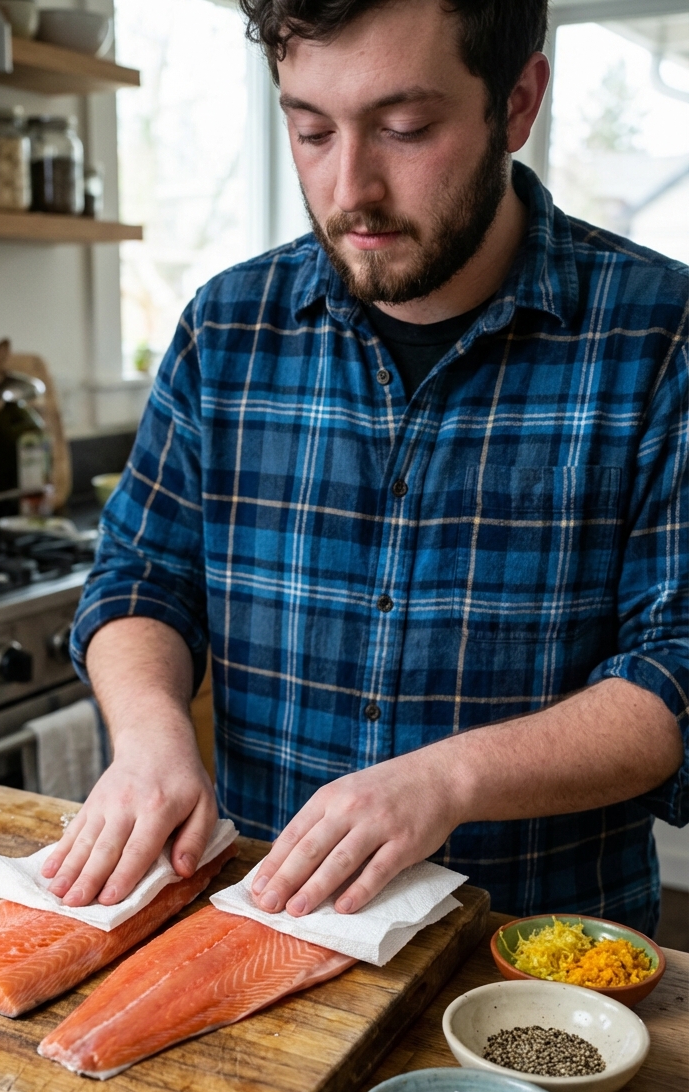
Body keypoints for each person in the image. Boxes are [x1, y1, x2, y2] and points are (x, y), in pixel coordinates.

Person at [43, 0, 687, 935]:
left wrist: (447, 781)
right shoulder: (226, 327)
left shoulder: (660, 336)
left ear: (518, 102)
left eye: (405, 129)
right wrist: (150, 736)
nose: (350, 188)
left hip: (531, 951)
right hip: (261, 925)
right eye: (309, 129)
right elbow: (143, 578)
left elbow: (677, 665)